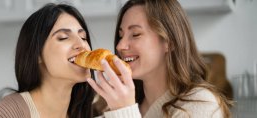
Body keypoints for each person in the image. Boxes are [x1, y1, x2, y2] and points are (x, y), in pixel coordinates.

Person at [87, 0, 233, 117]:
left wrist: (124, 112)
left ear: (169, 42)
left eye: (135, 34)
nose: (120, 45)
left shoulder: (201, 105)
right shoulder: (115, 105)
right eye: (120, 35)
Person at [0, 3, 109, 118]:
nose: (81, 45)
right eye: (63, 37)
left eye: (83, 37)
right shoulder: (12, 112)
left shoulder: (92, 109)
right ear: (37, 54)